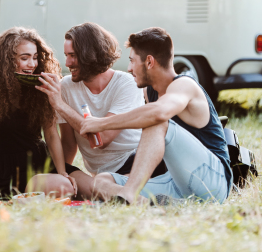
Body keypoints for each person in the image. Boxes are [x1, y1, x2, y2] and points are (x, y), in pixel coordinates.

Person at [81, 27, 232, 204]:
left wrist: (100, 124)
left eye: (132, 61)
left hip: (212, 182)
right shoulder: (150, 91)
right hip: (174, 181)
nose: (129, 68)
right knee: (102, 181)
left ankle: (128, 195)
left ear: (149, 62)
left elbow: (158, 114)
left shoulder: (184, 85)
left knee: (157, 122)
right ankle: (145, 202)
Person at [30, 22, 167, 199]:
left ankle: (121, 192)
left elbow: (103, 139)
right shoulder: (65, 87)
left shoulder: (126, 83)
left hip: (134, 163)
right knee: (56, 181)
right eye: (66, 55)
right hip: (101, 174)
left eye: (73, 55)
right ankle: (120, 194)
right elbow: (69, 144)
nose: (67, 63)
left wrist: (60, 105)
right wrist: (62, 174)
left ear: (90, 54)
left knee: (100, 186)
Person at [0, 27, 76, 197]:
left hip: (38, 161)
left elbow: (51, 134)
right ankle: (30, 194)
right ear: (7, 60)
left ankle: (32, 192)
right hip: (4, 166)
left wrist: (62, 172)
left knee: (70, 187)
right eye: (24, 58)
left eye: (35, 57)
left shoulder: (41, 84)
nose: (32, 64)